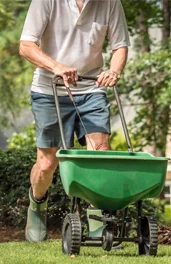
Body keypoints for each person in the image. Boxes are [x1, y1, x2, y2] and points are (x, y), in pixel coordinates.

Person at [19, 0, 130, 242]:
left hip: (92, 89)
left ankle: (97, 220)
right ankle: (37, 204)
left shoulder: (110, 3)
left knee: (99, 155)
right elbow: (26, 45)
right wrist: (56, 66)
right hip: (50, 90)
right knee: (47, 163)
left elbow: (120, 46)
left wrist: (114, 71)